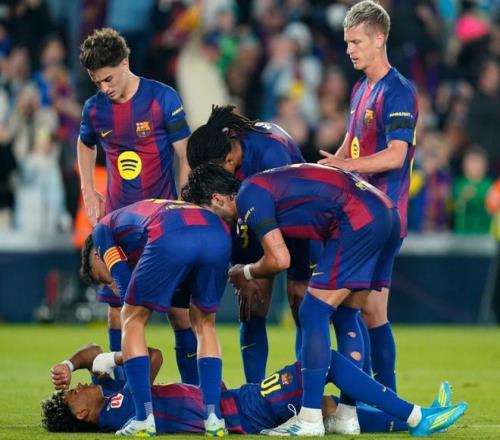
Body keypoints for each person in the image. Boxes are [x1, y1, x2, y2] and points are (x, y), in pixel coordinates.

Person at [318, 1, 419, 429]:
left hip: (382, 214)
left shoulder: (399, 91)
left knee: (347, 308)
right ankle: (387, 406)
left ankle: (374, 408)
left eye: (357, 42)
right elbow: (352, 141)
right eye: (347, 42)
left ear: (379, 39)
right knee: (372, 311)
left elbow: (396, 155)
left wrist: (348, 166)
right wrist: (329, 167)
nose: (350, 50)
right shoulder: (362, 88)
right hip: (360, 214)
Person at [77, 27, 197, 386]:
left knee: (180, 313)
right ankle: (118, 394)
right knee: (117, 313)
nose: (104, 88)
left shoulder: (162, 98)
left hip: (161, 227)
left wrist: (184, 203)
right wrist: (88, 188)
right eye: (97, 82)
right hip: (118, 228)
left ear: (125, 63)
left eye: (108, 79)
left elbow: (184, 153)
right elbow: (85, 144)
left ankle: (193, 390)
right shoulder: (95, 110)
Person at [42, 343, 467, 436]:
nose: (78, 386)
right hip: (244, 410)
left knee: (327, 404)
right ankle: (417, 416)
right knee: (325, 362)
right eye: (73, 394)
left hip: (238, 405)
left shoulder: (114, 399)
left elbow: (93, 353)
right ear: (81, 414)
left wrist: (71, 363)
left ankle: (414, 418)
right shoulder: (118, 411)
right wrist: (113, 359)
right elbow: (150, 356)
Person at [81, 198, 233, 436]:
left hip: (171, 233)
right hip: (218, 233)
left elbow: (123, 284)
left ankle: (143, 419)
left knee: (131, 317)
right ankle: (213, 419)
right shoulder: (133, 232)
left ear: (97, 256)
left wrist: (128, 296)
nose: (107, 285)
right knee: (205, 323)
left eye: (102, 278)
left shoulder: (101, 231)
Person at [187, 104, 313, 383]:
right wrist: (244, 271)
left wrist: (265, 268)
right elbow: (228, 211)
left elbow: (292, 213)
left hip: (298, 221)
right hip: (253, 217)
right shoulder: (218, 150)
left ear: (229, 158)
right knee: (252, 303)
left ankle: (305, 388)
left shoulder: (271, 155)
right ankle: (254, 391)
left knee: (300, 302)